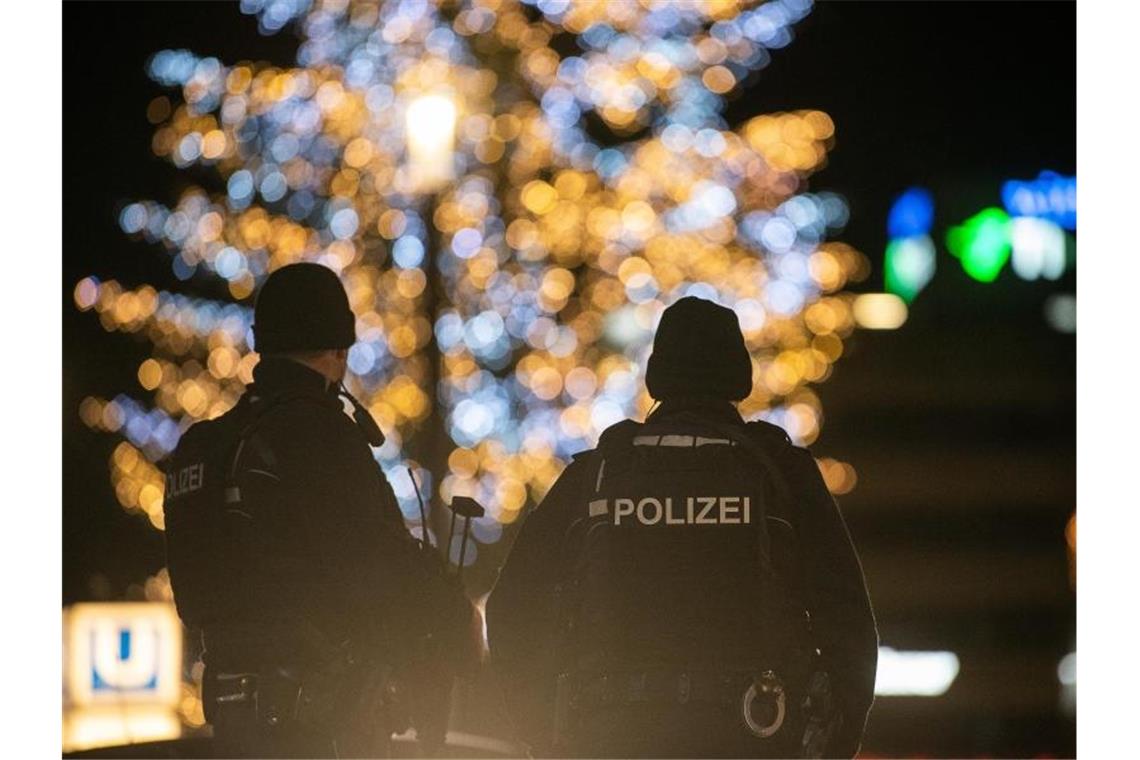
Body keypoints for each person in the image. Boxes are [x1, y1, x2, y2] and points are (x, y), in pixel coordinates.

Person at [486, 296, 878, 759]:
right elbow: (848, 623)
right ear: (738, 374)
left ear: (658, 374)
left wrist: (547, 731)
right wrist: (830, 744)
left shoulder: (598, 474)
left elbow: (512, 606)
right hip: (753, 736)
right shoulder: (782, 473)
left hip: (612, 735)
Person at [162, 263, 475, 758]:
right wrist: (447, 617)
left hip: (233, 715)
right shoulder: (320, 433)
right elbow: (377, 569)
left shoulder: (204, 446)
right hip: (322, 723)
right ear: (337, 348)